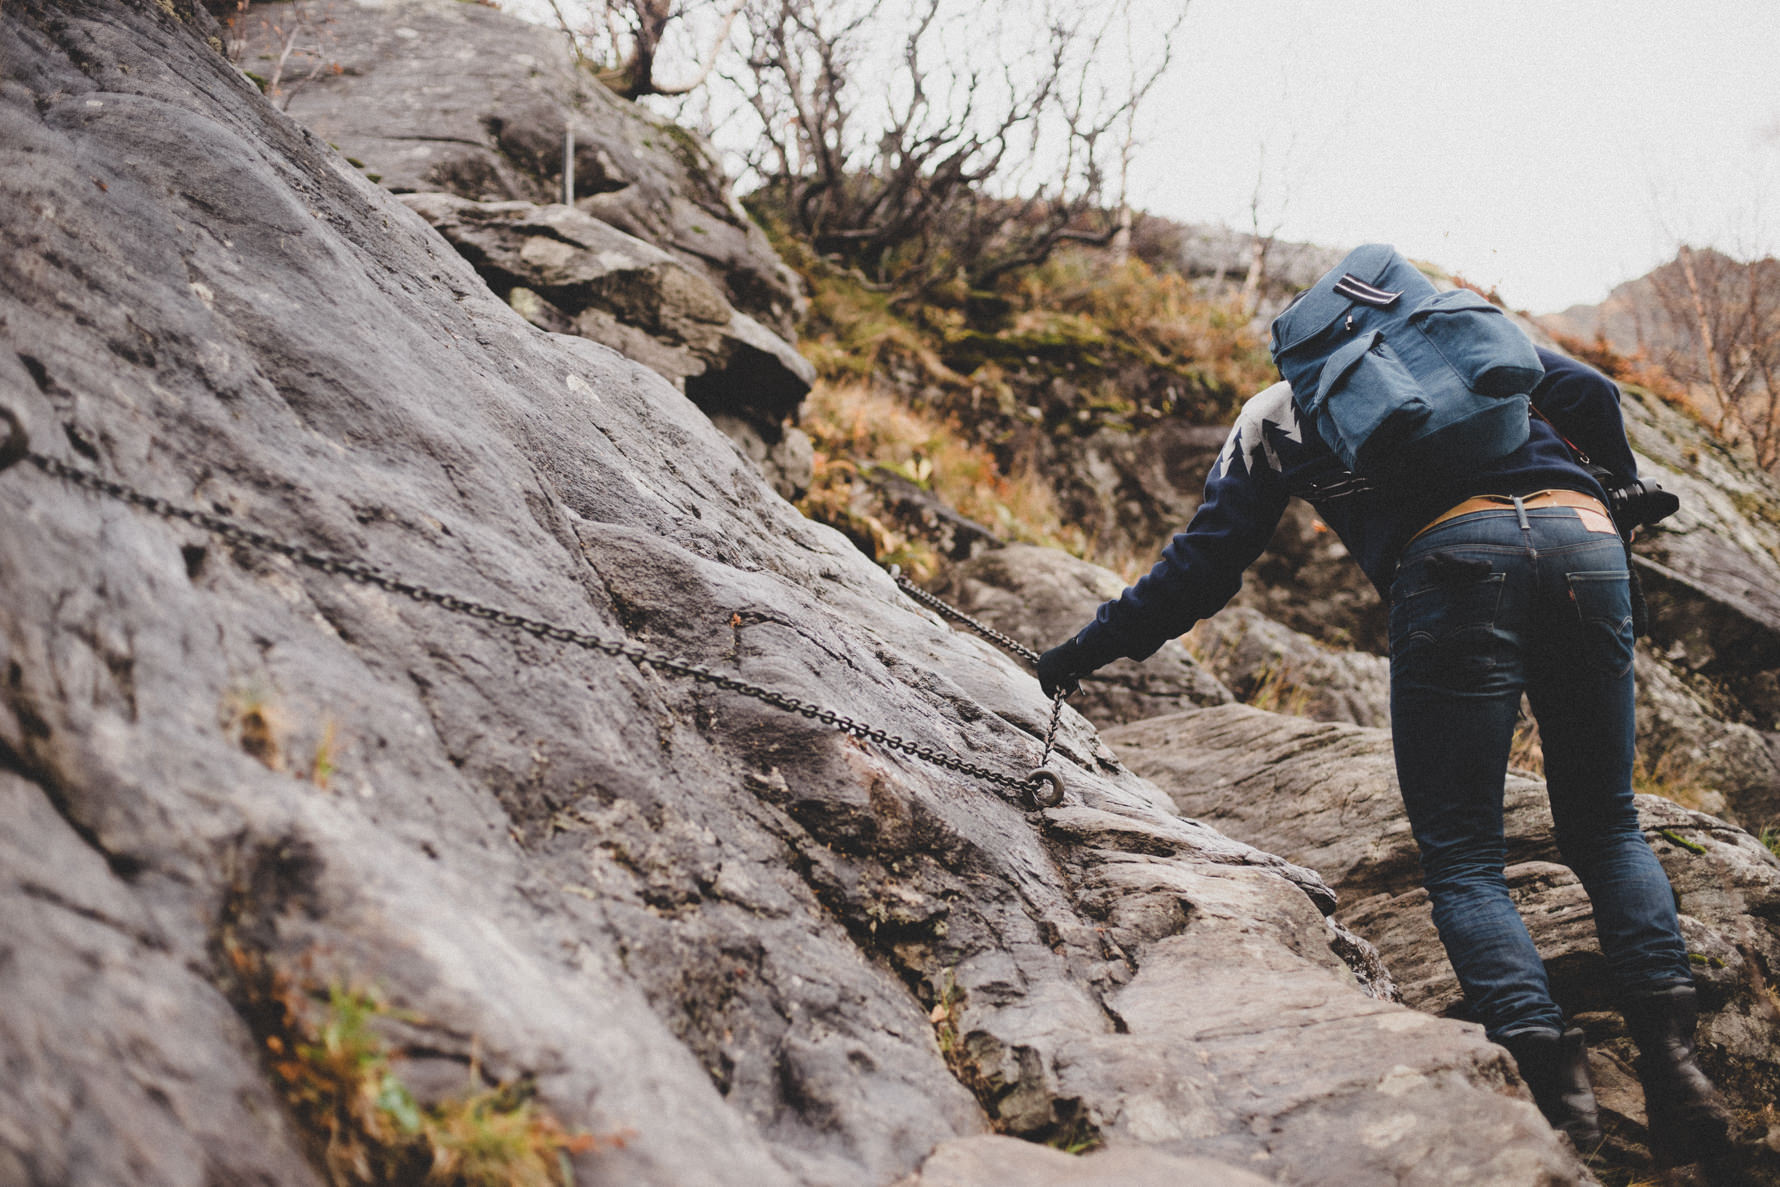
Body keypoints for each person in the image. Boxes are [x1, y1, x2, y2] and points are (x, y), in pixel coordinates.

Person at [1037, 344, 1731, 1163]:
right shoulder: (1464, 341)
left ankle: (1562, 1105)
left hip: (1454, 565)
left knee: (1468, 860)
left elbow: (1201, 566)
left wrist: (1077, 654)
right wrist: (1614, 492)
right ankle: (1678, 1069)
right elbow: (1590, 386)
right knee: (1608, 825)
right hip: (1585, 540)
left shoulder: (1277, 409)